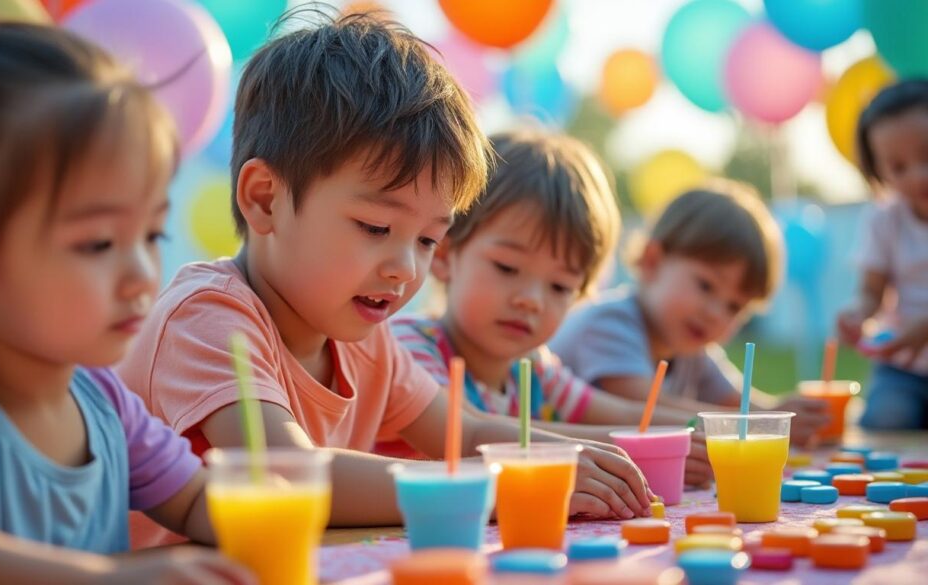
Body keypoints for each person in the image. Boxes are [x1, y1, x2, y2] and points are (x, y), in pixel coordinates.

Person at [118, 11, 653, 535]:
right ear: (266, 200)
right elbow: (285, 475)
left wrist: (604, 452)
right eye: (376, 227)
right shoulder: (210, 317)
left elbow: (467, 431)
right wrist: (504, 483)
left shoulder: (364, 340)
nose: (406, 268)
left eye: (427, 240)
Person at [0, 15, 254, 583]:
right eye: (97, 243)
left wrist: (278, 510)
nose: (143, 275)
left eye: (151, 235)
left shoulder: (100, 398)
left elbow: (193, 501)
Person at [387, 129, 713, 488]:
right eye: (507, 267)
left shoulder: (534, 373)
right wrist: (622, 447)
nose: (532, 300)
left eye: (559, 286)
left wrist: (704, 432)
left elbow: (623, 413)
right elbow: (470, 430)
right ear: (445, 255)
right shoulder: (408, 346)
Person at [550, 182, 828, 445]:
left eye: (735, 306)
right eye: (706, 286)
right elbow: (645, 405)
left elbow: (741, 404)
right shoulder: (608, 324)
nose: (716, 314)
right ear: (652, 261)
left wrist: (782, 415)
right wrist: (756, 424)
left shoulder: (693, 352)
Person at [838, 80, 928, 429]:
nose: (918, 175)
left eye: (927, 155)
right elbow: (872, 291)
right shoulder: (883, 219)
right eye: (898, 167)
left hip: (904, 348)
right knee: (886, 418)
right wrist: (857, 313)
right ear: (877, 171)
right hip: (902, 367)